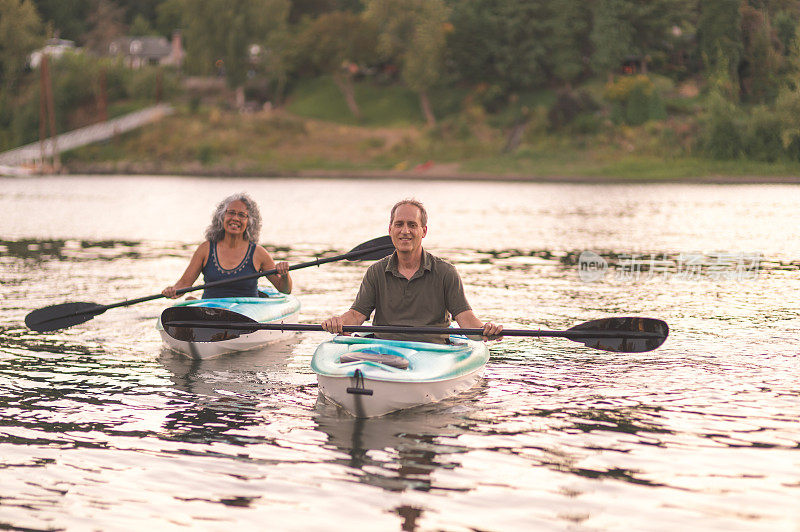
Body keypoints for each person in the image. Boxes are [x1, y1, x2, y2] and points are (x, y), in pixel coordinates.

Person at [321, 199, 502, 343]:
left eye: (412, 225)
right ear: (390, 230)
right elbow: (355, 316)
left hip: (433, 354)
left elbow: (467, 321)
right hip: (383, 352)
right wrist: (338, 322)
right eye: (399, 224)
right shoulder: (375, 272)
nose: (405, 231)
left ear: (423, 231)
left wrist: (487, 331)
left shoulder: (446, 273)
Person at [162, 193, 292, 299]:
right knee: (188, 300)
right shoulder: (206, 249)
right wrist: (173, 290)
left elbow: (284, 289)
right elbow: (184, 284)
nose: (235, 218)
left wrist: (285, 274)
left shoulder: (258, 253)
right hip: (211, 312)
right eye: (231, 213)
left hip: (246, 316)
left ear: (249, 222)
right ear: (222, 217)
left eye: (241, 215)